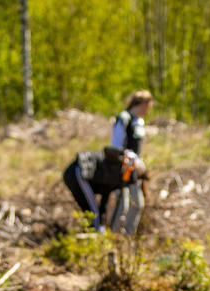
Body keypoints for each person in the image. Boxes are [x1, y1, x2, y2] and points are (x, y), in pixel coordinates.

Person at [63, 147, 147, 232]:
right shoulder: (119, 165)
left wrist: (102, 222)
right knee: (93, 212)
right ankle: (95, 235)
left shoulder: (118, 174)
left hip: (76, 173)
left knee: (91, 211)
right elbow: (107, 150)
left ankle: (94, 231)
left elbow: (105, 196)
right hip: (78, 172)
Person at [107, 90, 153, 234]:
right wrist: (130, 160)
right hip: (123, 168)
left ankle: (127, 237)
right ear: (141, 104)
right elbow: (116, 146)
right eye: (147, 106)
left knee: (137, 203)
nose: (148, 110)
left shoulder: (139, 121)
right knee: (122, 204)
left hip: (134, 169)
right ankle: (113, 237)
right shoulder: (124, 118)